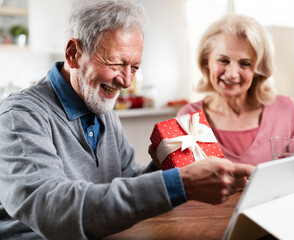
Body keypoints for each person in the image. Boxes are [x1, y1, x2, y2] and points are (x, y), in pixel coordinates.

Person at [0, 1, 255, 239]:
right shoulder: (20, 116)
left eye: (134, 67)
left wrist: (161, 168)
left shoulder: (102, 110)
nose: (126, 81)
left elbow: (125, 185)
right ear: (73, 54)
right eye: (115, 63)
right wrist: (180, 183)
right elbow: (53, 210)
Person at [178, 14, 294, 165]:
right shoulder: (188, 118)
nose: (232, 74)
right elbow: (185, 185)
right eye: (223, 60)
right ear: (206, 60)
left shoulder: (287, 110)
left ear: (258, 69)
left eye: (245, 64)